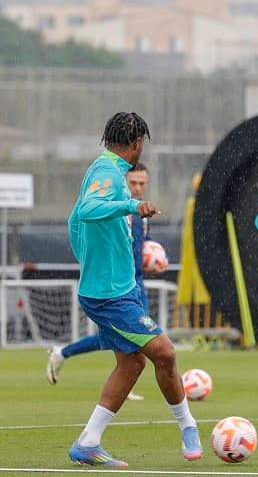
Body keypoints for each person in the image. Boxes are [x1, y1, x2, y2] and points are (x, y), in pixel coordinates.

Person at [64, 112, 201, 467]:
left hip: (114, 288)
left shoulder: (105, 169)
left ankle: (88, 442)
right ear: (137, 142)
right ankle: (188, 426)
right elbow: (88, 209)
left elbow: (74, 219)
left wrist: (88, 257)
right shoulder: (108, 172)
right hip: (110, 294)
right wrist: (131, 206)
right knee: (166, 354)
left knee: (132, 362)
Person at [48, 162, 155, 401]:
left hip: (137, 282)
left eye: (142, 184)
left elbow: (140, 248)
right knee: (134, 337)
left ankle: (65, 354)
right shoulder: (113, 210)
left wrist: (153, 259)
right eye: (133, 183)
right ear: (123, 183)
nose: (137, 188)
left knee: (128, 337)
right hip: (114, 285)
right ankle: (64, 353)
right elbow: (79, 223)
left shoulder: (141, 215)